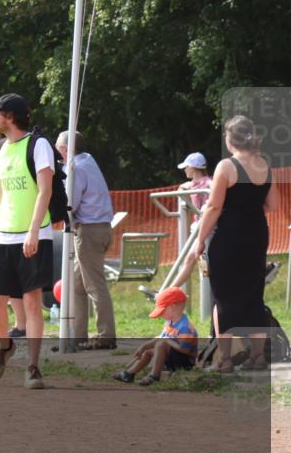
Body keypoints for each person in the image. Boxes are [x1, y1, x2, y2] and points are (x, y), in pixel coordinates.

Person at [188, 116, 277, 372]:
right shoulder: (264, 165)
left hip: (229, 236)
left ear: (230, 139)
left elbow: (214, 206)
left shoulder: (227, 166)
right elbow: (273, 205)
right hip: (257, 234)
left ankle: (225, 359)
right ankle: (258, 357)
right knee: (252, 295)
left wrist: (200, 240)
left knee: (223, 296)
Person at [0, 94, 53, 390]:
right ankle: (5, 346)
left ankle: (33, 367)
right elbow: (0, 193)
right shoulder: (1, 150)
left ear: (9, 116)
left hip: (33, 233)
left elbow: (44, 190)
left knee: (32, 302)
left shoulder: (39, 145)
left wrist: (34, 231)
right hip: (4, 236)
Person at [56, 130, 116, 350]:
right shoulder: (88, 161)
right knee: (77, 285)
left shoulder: (75, 168)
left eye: (58, 148)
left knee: (93, 284)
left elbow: (71, 202)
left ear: (64, 149)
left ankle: (106, 336)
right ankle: (78, 335)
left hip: (89, 231)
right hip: (98, 228)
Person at [113, 287, 197, 386]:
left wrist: (167, 340)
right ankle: (129, 374)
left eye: (162, 311)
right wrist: (144, 346)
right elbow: (160, 337)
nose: (161, 315)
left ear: (172, 307)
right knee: (149, 350)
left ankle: (154, 376)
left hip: (184, 362)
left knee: (161, 344)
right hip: (173, 356)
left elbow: (184, 350)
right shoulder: (170, 322)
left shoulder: (185, 327)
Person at [166, 152, 212, 290]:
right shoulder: (191, 184)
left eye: (186, 167)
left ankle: (168, 291)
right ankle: (208, 290)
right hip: (198, 228)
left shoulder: (209, 183)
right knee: (200, 261)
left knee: (191, 259)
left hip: (206, 228)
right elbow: (183, 188)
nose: (185, 170)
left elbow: (212, 186)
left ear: (193, 167)